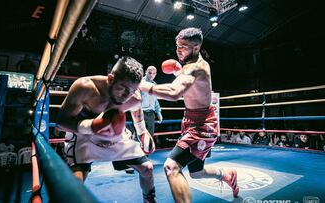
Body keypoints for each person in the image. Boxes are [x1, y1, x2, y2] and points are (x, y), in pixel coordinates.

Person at [140, 27, 239, 202]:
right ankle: (226, 174)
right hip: (191, 121)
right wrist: (178, 70)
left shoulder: (196, 67)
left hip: (202, 126)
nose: (178, 50)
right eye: (177, 46)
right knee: (196, 172)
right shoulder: (190, 66)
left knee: (171, 167)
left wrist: (140, 84)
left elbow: (174, 92)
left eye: (183, 47)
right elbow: (188, 82)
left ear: (196, 47)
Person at [56, 56, 156, 203]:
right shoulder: (86, 87)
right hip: (82, 137)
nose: (126, 96)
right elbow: (60, 123)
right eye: (123, 88)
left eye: (133, 90)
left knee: (147, 168)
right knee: (76, 184)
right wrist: (92, 126)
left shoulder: (134, 97)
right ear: (110, 78)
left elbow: (136, 112)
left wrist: (142, 132)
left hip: (116, 136)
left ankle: (149, 201)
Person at [141, 66, 163, 146]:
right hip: (140, 113)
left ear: (155, 74)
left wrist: (158, 112)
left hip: (151, 114)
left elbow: (155, 100)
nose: (151, 75)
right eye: (149, 73)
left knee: (149, 136)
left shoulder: (154, 85)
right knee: (139, 135)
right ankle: (137, 156)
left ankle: (146, 156)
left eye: (153, 73)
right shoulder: (140, 83)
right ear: (146, 72)